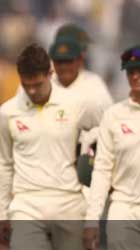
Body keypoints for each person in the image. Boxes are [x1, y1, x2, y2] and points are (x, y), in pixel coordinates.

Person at [0, 44, 102, 250]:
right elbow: (4, 164)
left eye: (37, 84)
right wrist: (1, 215)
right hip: (26, 204)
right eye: (27, 86)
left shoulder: (77, 104)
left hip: (70, 204)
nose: (32, 91)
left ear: (50, 74)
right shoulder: (8, 112)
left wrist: (91, 209)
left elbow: (104, 140)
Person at [84, 45, 140, 250]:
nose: (136, 76)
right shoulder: (114, 115)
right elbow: (102, 170)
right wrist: (92, 220)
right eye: (131, 71)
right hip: (123, 210)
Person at [49, 34, 113, 186]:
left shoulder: (94, 87)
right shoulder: (45, 85)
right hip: (50, 165)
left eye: (68, 61)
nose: (63, 67)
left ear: (79, 61)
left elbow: (108, 130)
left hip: (82, 165)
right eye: (59, 61)